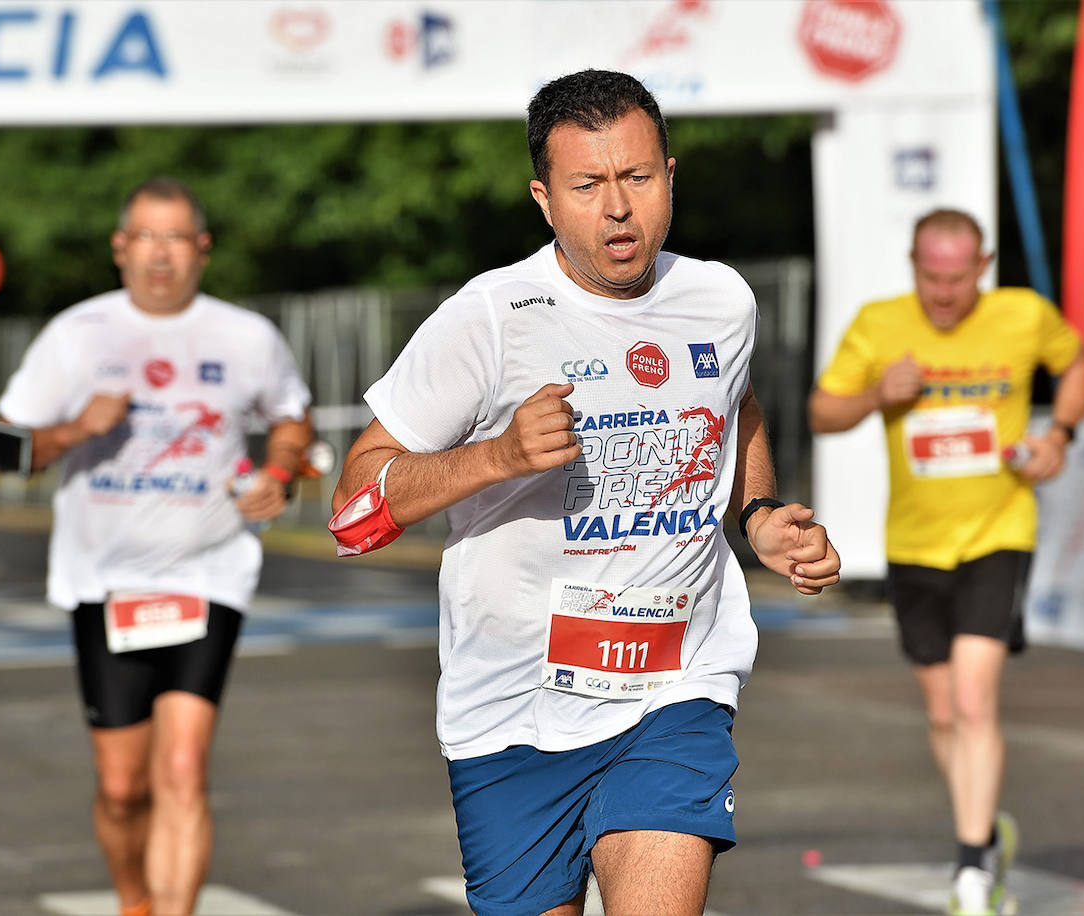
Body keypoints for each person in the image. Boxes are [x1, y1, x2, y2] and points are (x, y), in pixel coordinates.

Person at [332, 70, 841, 916]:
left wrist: (754, 514)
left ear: (670, 177)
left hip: (675, 687)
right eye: (588, 185)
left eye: (638, 179)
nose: (617, 209)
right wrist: (494, 457)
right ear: (544, 198)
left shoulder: (721, 301)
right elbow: (351, 516)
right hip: (512, 710)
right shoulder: (490, 318)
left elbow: (734, 402)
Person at [0, 177, 314, 916]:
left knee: (182, 768)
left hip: (209, 573)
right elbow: (1, 447)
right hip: (105, 582)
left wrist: (278, 469)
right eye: (145, 237)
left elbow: (292, 420)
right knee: (121, 787)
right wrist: (75, 430)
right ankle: (134, 898)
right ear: (120, 248)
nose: (160, 255)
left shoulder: (246, 337)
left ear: (201, 249)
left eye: (175, 238)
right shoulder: (78, 334)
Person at [808, 209, 1084, 916]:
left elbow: (1079, 365)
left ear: (983, 266)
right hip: (915, 544)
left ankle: (972, 867)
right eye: (929, 277)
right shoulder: (880, 324)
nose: (942, 294)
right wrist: (880, 394)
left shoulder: (1022, 314)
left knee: (973, 698)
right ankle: (986, 826)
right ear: (913, 265)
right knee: (943, 714)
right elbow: (821, 411)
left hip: (999, 530)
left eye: (957, 278)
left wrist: (1059, 433)